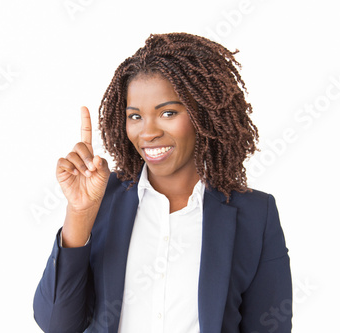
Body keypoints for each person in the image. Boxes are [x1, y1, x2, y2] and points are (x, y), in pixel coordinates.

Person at [33, 32, 292, 333]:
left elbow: (270, 326)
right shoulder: (102, 198)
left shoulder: (256, 215)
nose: (148, 132)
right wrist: (79, 214)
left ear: (202, 114)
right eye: (135, 116)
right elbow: (56, 325)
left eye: (168, 112)